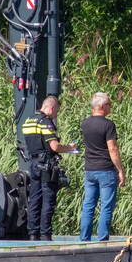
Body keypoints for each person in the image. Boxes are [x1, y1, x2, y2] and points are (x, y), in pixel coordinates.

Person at [22, 96, 77, 241]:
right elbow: (55, 146)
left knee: (34, 199)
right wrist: (69, 148)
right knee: (48, 200)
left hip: (33, 164)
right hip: (46, 165)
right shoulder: (45, 122)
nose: (56, 114)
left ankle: (33, 233)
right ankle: (45, 234)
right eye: (57, 111)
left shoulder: (28, 121)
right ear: (51, 108)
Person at [79, 92, 125, 241]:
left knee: (88, 205)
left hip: (89, 169)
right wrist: (120, 170)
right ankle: (102, 239)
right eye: (109, 104)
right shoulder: (108, 125)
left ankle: (84, 238)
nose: (110, 107)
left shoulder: (85, 123)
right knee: (106, 206)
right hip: (105, 170)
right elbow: (112, 149)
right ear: (102, 106)